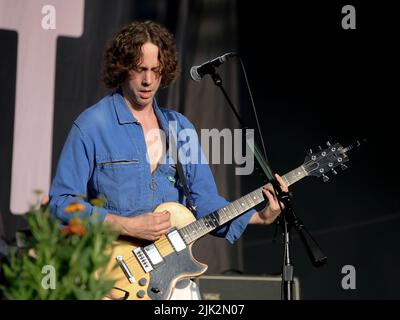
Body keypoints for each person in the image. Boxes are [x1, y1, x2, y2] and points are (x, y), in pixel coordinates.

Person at [49, 20, 288, 299]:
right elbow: (61, 203)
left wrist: (259, 216)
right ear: (122, 67)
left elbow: (205, 202)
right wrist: (127, 225)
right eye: (140, 70)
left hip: (174, 280)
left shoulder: (180, 128)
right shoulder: (92, 125)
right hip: (112, 280)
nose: (148, 80)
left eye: (156, 71)